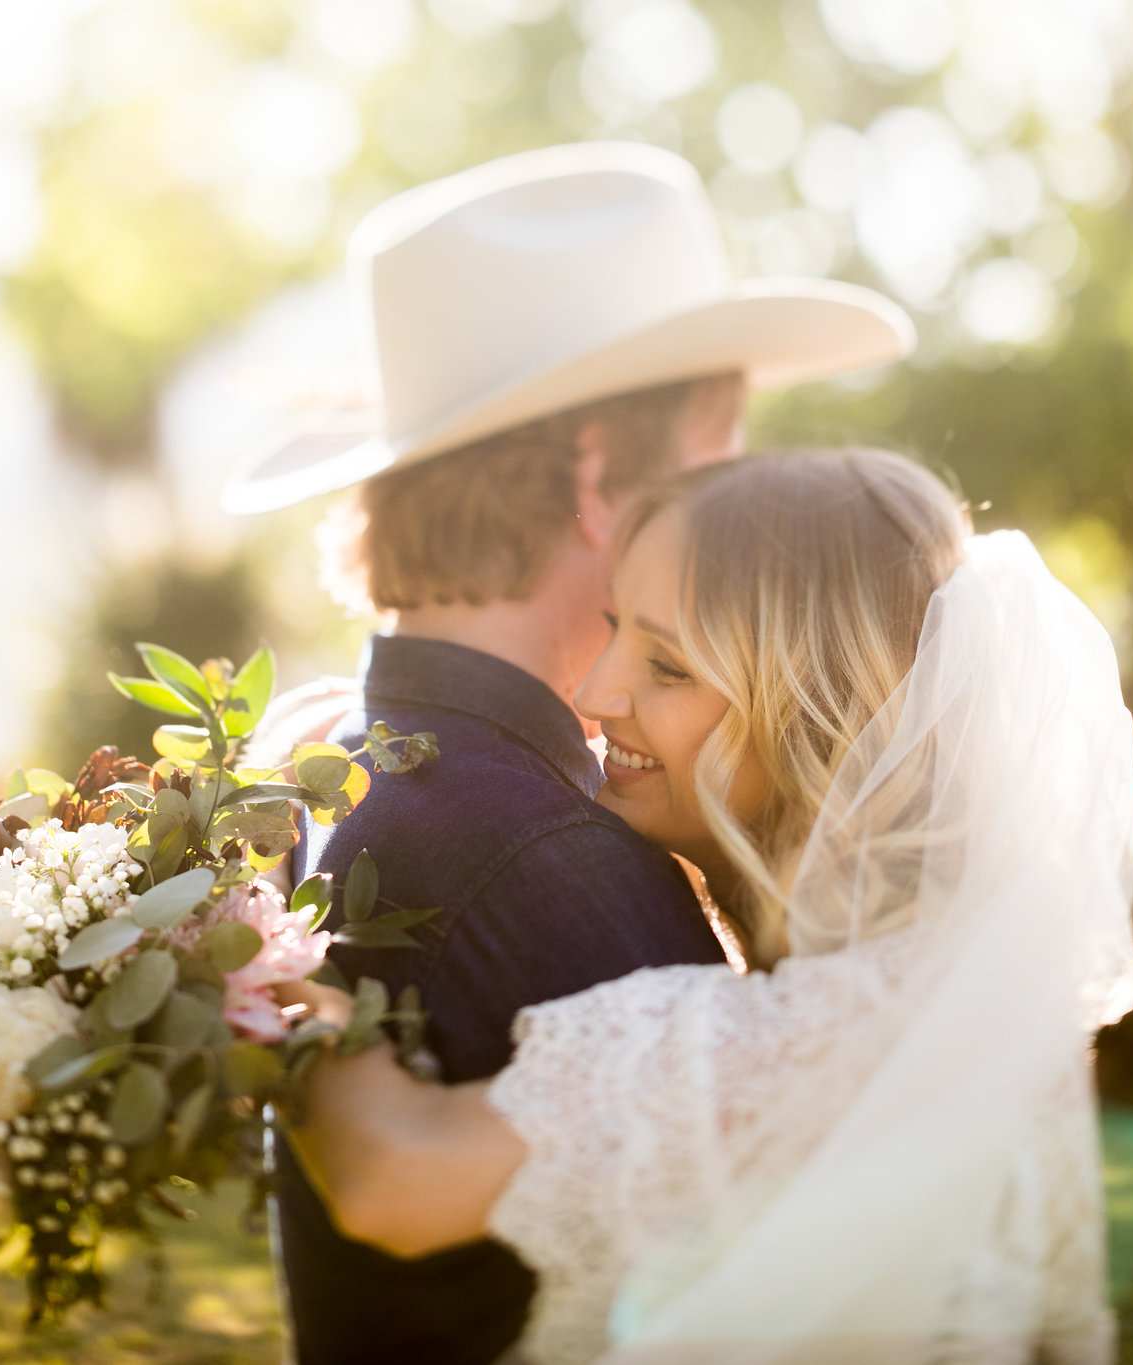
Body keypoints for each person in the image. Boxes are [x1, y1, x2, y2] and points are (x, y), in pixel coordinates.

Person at [225, 143, 914, 1365]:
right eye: (721, 451)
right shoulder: (551, 858)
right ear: (599, 473)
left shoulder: (335, 756)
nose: (733, 505)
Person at [277, 449, 1133, 1364]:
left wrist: (253, 913)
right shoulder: (962, 989)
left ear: (813, 711)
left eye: (668, 665)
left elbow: (391, 1175)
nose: (594, 693)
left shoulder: (828, 1033)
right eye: (615, 625)